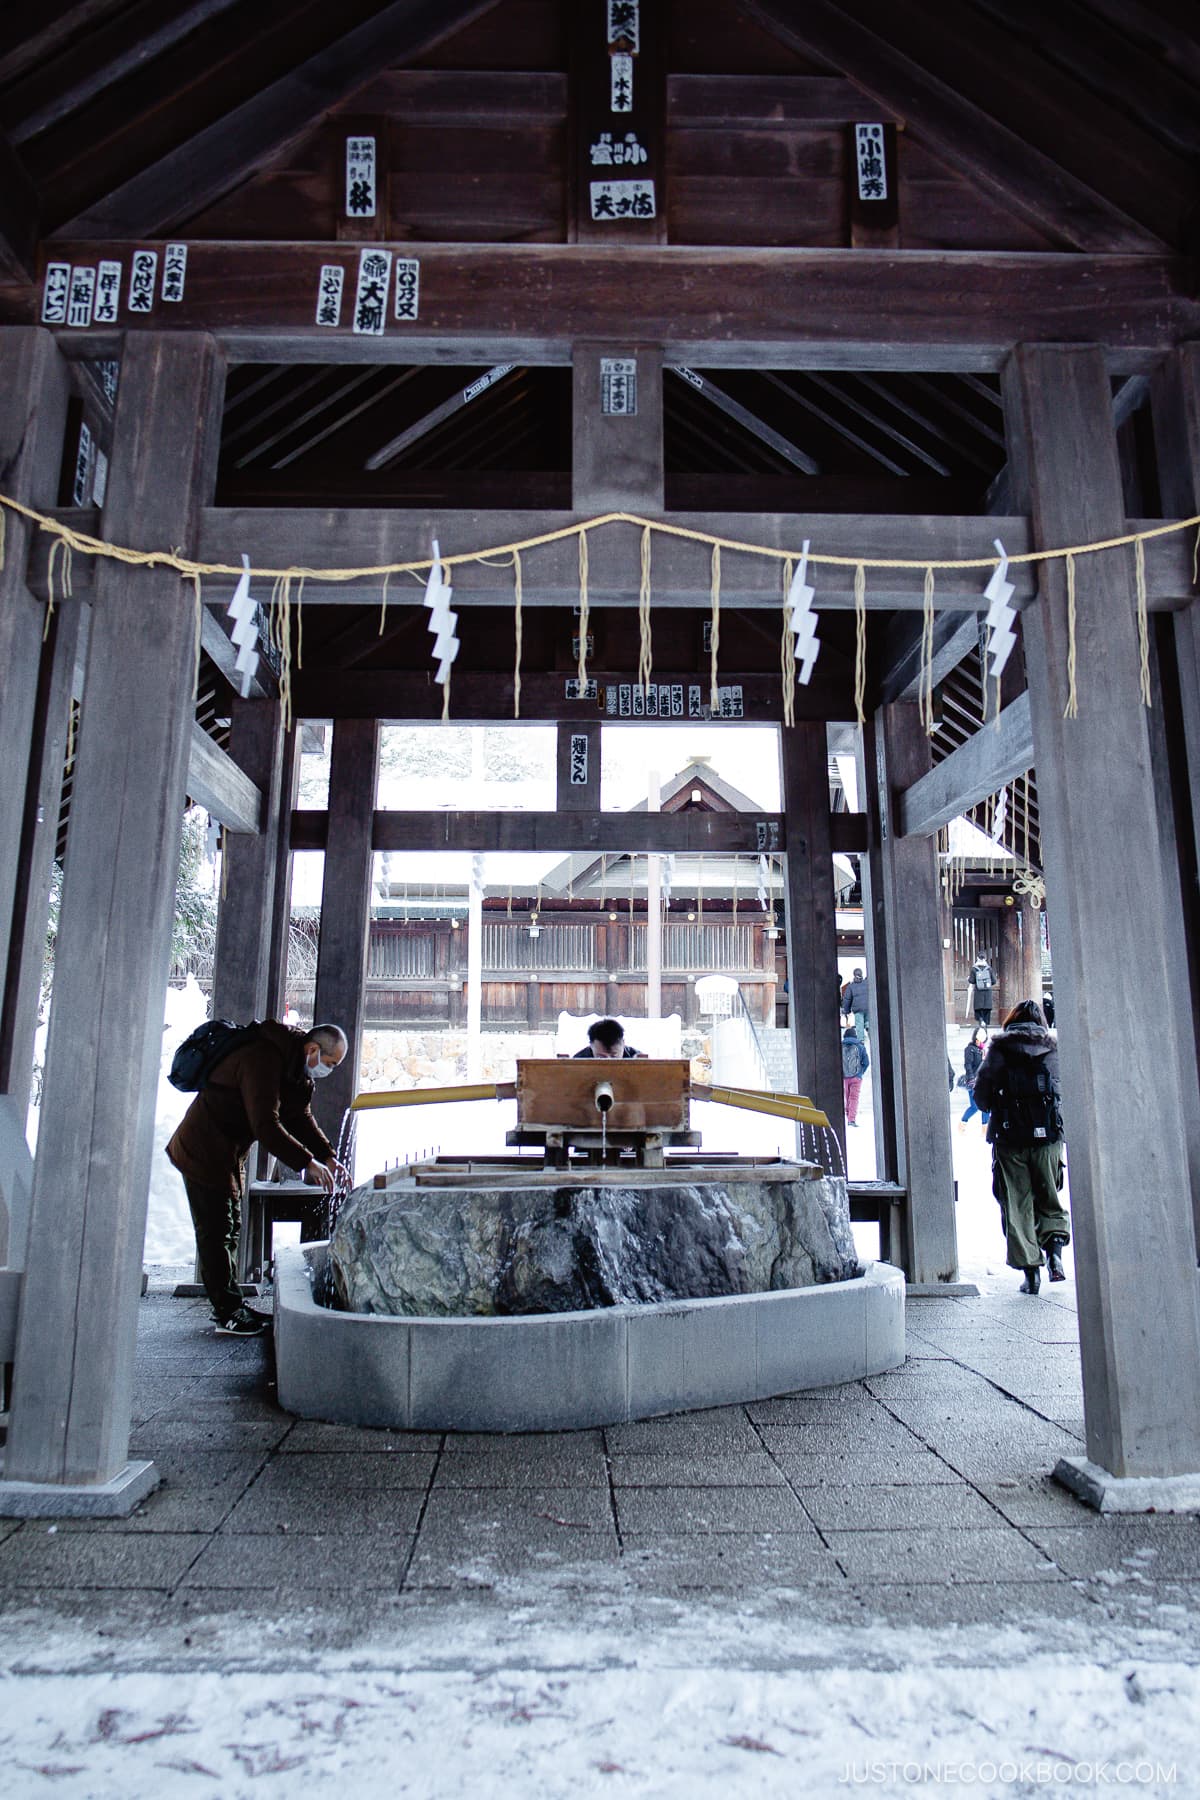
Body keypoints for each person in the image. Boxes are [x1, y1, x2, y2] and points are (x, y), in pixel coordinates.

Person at [167, 1020, 350, 1334]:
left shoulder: (296, 1070)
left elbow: (299, 1117)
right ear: (313, 1050)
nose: (329, 1070)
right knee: (217, 1231)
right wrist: (307, 1163)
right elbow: (265, 1125)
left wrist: (328, 1157)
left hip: (228, 1150)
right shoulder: (262, 1058)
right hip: (203, 1147)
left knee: (230, 1227)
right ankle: (228, 1312)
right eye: (330, 1063)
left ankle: (232, 1305)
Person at [972, 999, 1069, 1295]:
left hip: (1009, 1138)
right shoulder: (1052, 1048)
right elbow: (1064, 1089)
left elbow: (981, 1095)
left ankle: (1031, 1275)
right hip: (1048, 1138)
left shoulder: (999, 1049)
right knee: (1049, 1197)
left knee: (1017, 1203)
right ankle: (1054, 1255)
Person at [958, 1026, 991, 1133]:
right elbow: (968, 1065)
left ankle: (985, 1129)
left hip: (984, 1082)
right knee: (975, 1106)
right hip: (974, 1081)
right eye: (979, 1037)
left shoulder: (984, 1050)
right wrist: (971, 1078)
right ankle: (963, 1123)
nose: (981, 1039)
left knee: (986, 1105)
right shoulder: (970, 1049)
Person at [574, 1018, 644, 1059]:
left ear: (623, 1044)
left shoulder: (638, 1060)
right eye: (601, 1057)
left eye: (614, 1057)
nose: (608, 1061)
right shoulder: (577, 1062)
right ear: (591, 1046)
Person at [841, 1024, 869, 1127]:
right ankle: (851, 1119)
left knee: (847, 1097)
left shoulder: (840, 1045)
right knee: (854, 1098)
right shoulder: (860, 1046)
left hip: (844, 1077)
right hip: (856, 1077)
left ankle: (848, 1116)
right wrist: (860, 1073)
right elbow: (866, 1062)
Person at [841, 967, 869, 1041]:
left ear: (854, 975)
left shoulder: (851, 986)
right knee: (868, 1023)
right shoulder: (867, 984)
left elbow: (847, 1000)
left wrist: (846, 1011)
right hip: (868, 1008)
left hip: (858, 1010)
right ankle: (871, 1034)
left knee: (859, 1026)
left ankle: (861, 1041)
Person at [967, 955, 995, 1028]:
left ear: (977, 958)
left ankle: (981, 1020)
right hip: (987, 993)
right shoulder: (989, 969)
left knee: (979, 1009)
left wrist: (968, 979)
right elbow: (994, 981)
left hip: (978, 992)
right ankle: (985, 1024)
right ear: (985, 959)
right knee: (986, 1009)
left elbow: (971, 981)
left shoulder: (974, 969)